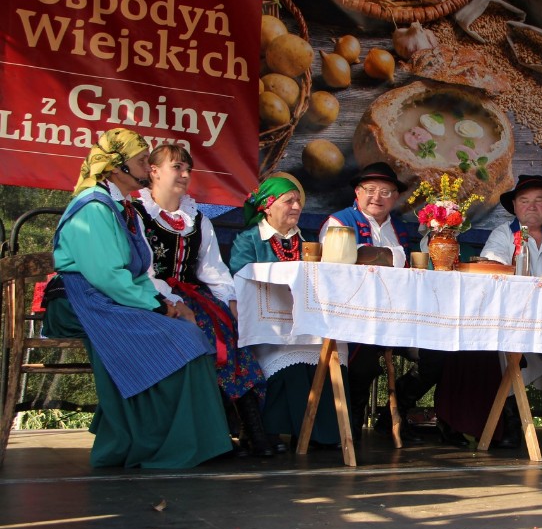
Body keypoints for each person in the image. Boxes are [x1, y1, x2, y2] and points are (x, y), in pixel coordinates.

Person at [41, 128, 233, 468]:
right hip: (80, 301)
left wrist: (166, 304)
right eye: (142, 160)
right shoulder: (93, 208)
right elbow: (107, 275)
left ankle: (188, 440)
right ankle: (151, 441)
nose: (147, 167)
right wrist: (157, 306)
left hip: (109, 295)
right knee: (178, 338)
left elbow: (136, 272)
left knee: (190, 334)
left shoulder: (120, 207)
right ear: (117, 166)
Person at [137, 145, 272, 457]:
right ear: (154, 171)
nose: (185, 174)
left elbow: (213, 270)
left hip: (195, 295)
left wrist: (229, 303)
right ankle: (220, 431)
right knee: (207, 336)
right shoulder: (138, 214)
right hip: (152, 297)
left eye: (188, 169)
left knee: (232, 334)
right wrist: (170, 300)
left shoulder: (197, 220)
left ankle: (252, 428)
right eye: (177, 167)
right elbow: (142, 270)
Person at [442, 175, 542, 447]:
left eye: (539, 200)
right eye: (524, 200)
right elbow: (492, 268)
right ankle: (509, 424)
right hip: (513, 319)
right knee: (498, 349)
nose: (532, 206)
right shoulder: (502, 234)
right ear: (515, 207)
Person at [319, 162, 440, 443]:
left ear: (395, 197)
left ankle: (391, 418)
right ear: (358, 192)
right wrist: (388, 256)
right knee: (362, 362)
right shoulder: (338, 222)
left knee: (437, 356)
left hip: (397, 316)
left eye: (386, 192)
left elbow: (408, 266)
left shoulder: (399, 227)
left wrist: (377, 255)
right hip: (353, 316)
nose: (377, 197)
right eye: (371, 189)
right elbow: (339, 263)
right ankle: (350, 426)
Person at [229, 173, 341, 450]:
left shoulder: (307, 242)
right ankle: (275, 429)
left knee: (328, 355)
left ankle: (323, 434)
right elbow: (241, 281)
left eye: (298, 201)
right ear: (267, 206)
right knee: (288, 359)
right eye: (289, 201)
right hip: (266, 325)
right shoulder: (248, 240)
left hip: (302, 322)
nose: (296, 206)